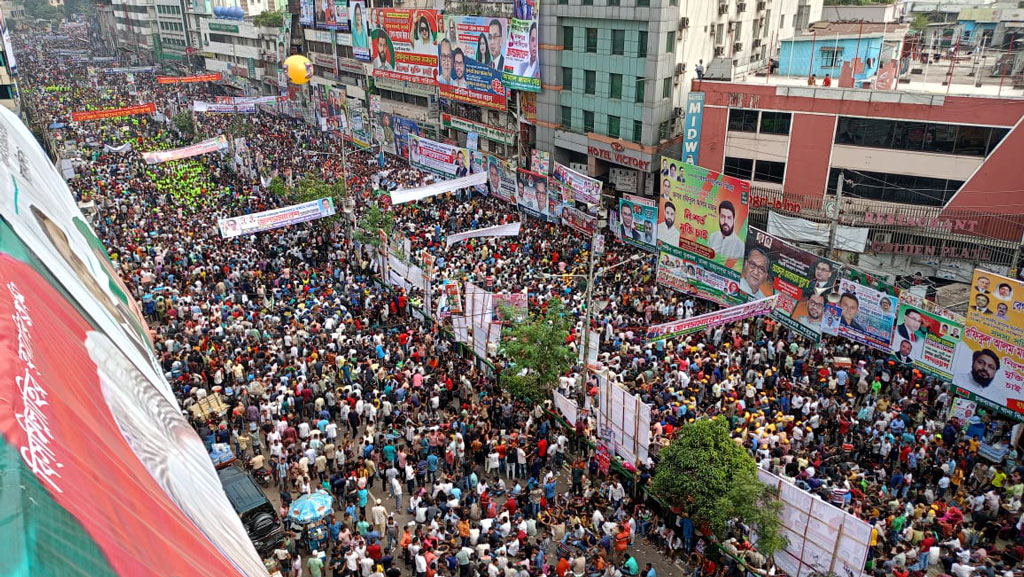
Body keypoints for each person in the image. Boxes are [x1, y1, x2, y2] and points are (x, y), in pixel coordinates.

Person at [707, 200, 744, 266]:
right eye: (723, 217)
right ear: (719, 217)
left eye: (729, 218)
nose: (725, 221)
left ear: (734, 220)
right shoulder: (712, 237)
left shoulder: (740, 246)